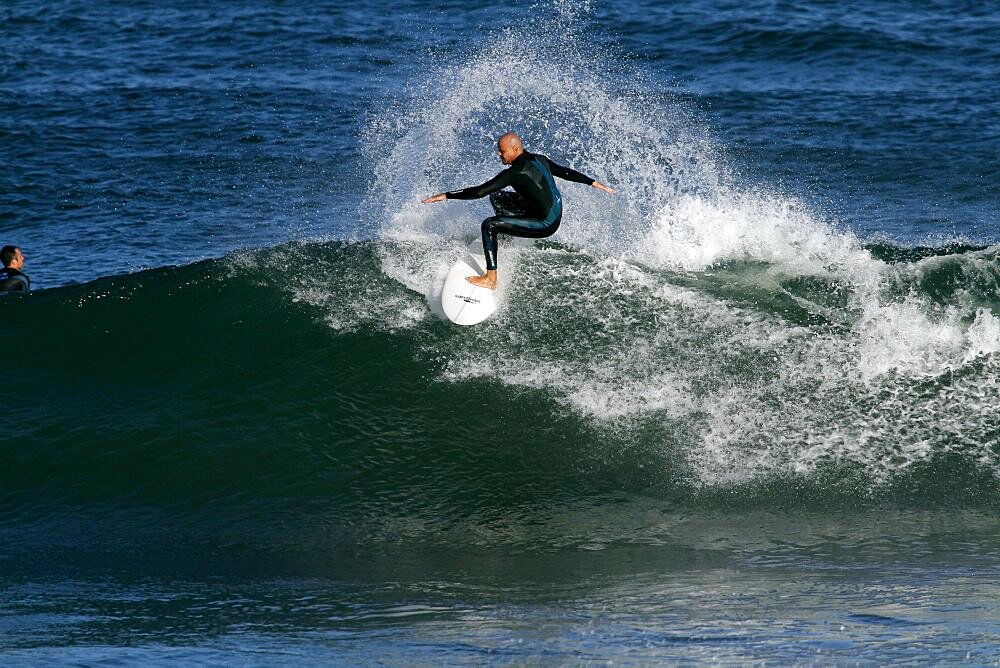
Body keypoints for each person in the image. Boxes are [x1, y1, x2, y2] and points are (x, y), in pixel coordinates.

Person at [422, 132, 615, 289]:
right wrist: (593, 182)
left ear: (515, 149)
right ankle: (505, 235)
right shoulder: (539, 159)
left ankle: (491, 278)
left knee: (488, 225)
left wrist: (447, 195)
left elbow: (479, 191)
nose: (499, 154)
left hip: (546, 223)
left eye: (502, 151)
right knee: (497, 197)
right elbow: (565, 172)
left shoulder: (516, 172)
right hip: (553, 209)